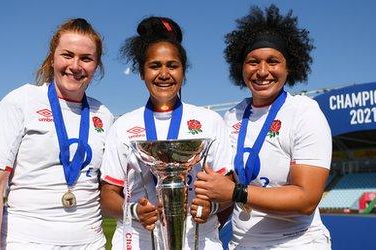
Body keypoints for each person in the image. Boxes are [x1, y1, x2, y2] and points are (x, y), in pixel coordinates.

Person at [194, 5, 333, 249]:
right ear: (241, 68)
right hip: (241, 243)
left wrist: (236, 192)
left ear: (289, 67)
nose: (262, 71)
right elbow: (225, 192)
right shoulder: (231, 117)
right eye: (253, 62)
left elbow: (306, 198)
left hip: (297, 242)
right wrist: (210, 209)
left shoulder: (304, 112)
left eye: (273, 61)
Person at [0, 18, 114, 250]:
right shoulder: (21, 101)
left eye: (86, 58)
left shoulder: (104, 115)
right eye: (67, 55)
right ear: (53, 58)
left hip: (90, 243)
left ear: (96, 65)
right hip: (27, 242)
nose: (75, 66)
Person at [99, 16, 233, 249]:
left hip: (198, 240)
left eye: (172, 65)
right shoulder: (123, 126)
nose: (164, 74)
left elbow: (227, 189)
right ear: (142, 72)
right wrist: (133, 210)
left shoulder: (209, 121)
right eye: (154, 66)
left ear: (183, 72)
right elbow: (108, 194)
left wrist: (210, 207)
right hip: (139, 239)